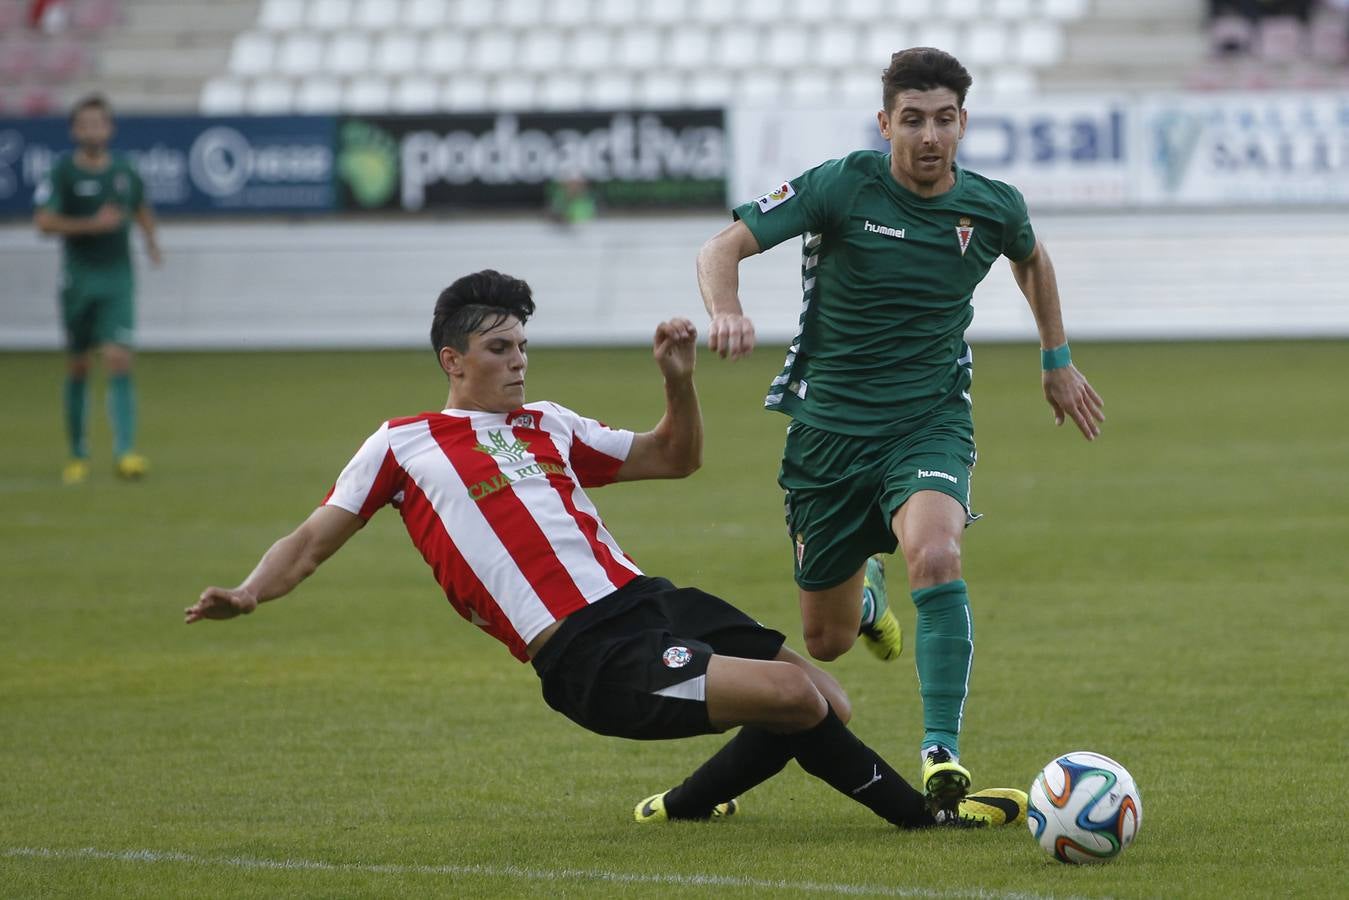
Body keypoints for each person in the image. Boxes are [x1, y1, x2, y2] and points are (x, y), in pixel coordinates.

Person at [184, 269, 1027, 830]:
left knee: (824, 699)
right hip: (584, 650)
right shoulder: (402, 445)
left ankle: (688, 809)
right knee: (792, 700)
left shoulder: (548, 423)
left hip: (647, 600)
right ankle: (926, 822)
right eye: (497, 349)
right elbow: (309, 540)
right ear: (453, 359)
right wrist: (252, 592)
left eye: (521, 346)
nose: (517, 362)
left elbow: (675, 457)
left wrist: (677, 382)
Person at [695, 47, 1105, 814]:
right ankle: (868, 600)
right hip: (826, 437)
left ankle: (940, 752)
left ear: (962, 124)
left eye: (943, 120)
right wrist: (725, 306)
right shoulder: (841, 185)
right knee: (825, 642)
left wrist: (1057, 357)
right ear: (884, 123)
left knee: (937, 552)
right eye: (911, 120)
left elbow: (1031, 256)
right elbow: (723, 246)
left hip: (929, 422)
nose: (927, 136)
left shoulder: (990, 204)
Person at [34, 93, 162, 485]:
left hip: (117, 277)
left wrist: (151, 241)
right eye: (85, 124)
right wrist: (92, 225)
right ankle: (78, 453)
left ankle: (125, 452)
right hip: (78, 278)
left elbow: (139, 206)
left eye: (99, 123)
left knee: (119, 358)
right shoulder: (62, 173)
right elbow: (44, 222)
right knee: (78, 364)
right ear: (75, 130)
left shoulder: (125, 170)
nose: (93, 130)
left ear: (110, 128)